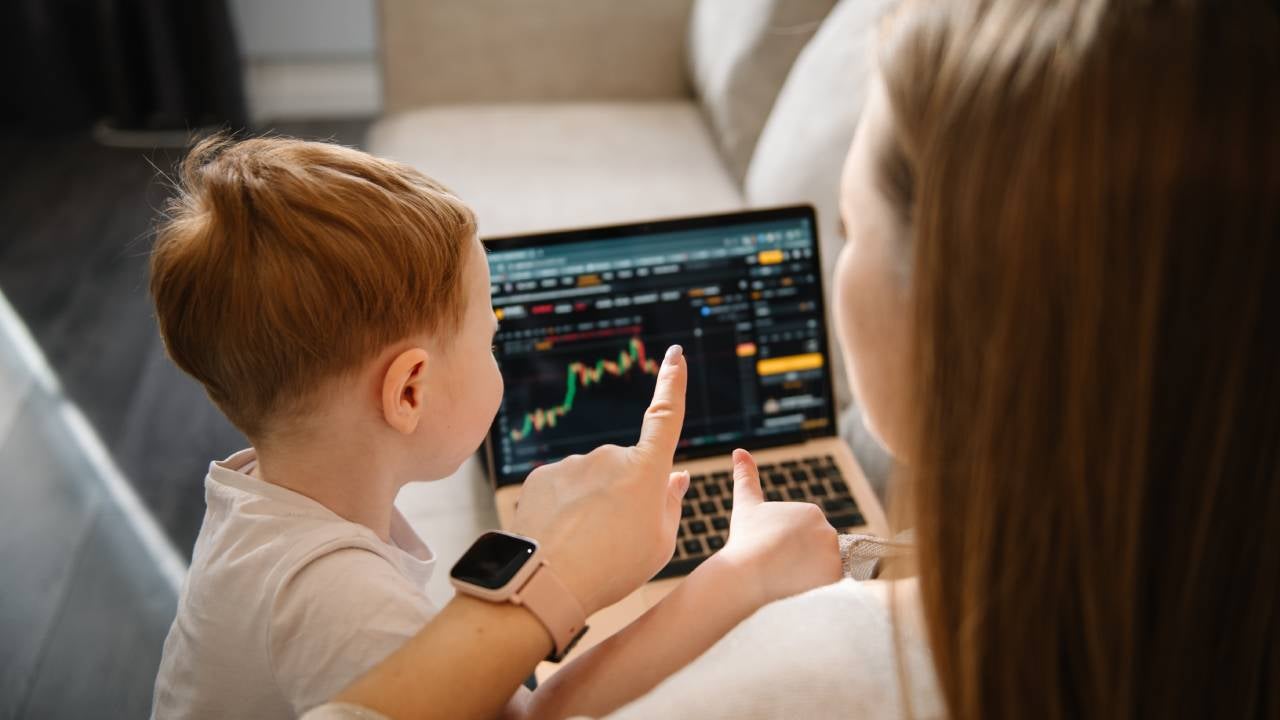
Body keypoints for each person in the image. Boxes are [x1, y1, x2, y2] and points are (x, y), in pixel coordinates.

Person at [310, 0, 1280, 717]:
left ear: (964, 322)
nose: (837, 260)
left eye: (849, 227)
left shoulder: (819, 670)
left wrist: (547, 583)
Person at [147, 136, 840, 719]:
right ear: (409, 391)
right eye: (489, 338)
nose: (497, 351)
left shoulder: (265, 505)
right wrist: (740, 575)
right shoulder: (337, 605)